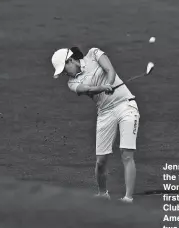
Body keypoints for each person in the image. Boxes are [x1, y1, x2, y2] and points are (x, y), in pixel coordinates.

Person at [51, 46, 140, 203]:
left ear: (70, 60)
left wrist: (110, 83)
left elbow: (109, 69)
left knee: (126, 153)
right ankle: (102, 194)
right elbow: (88, 89)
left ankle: (128, 198)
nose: (65, 74)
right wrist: (103, 87)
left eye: (64, 69)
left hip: (126, 105)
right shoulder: (72, 83)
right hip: (105, 113)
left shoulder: (93, 54)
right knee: (101, 161)